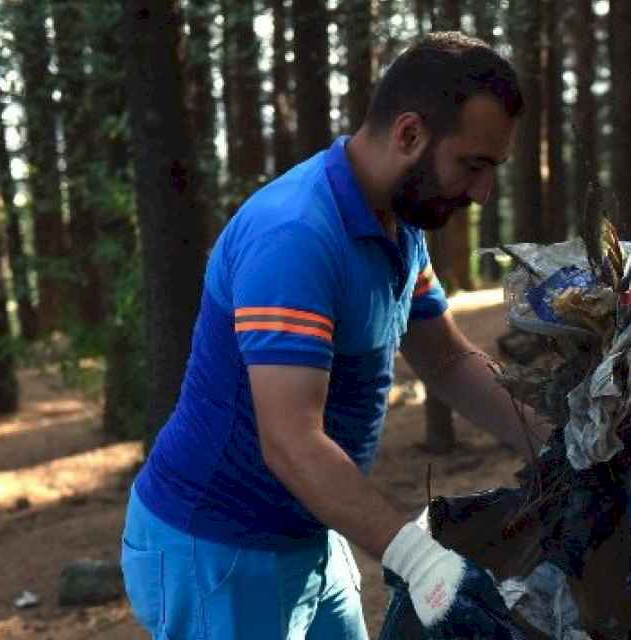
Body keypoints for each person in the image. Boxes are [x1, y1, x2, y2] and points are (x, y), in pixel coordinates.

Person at [121, 33, 544, 640]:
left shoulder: (398, 223)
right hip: (216, 548)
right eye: (473, 165)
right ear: (408, 135)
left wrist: (557, 445)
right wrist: (419, 560)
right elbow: (291, 442)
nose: (482, 192)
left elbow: (447, 359)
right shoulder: (296, 236)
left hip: (310, 528)